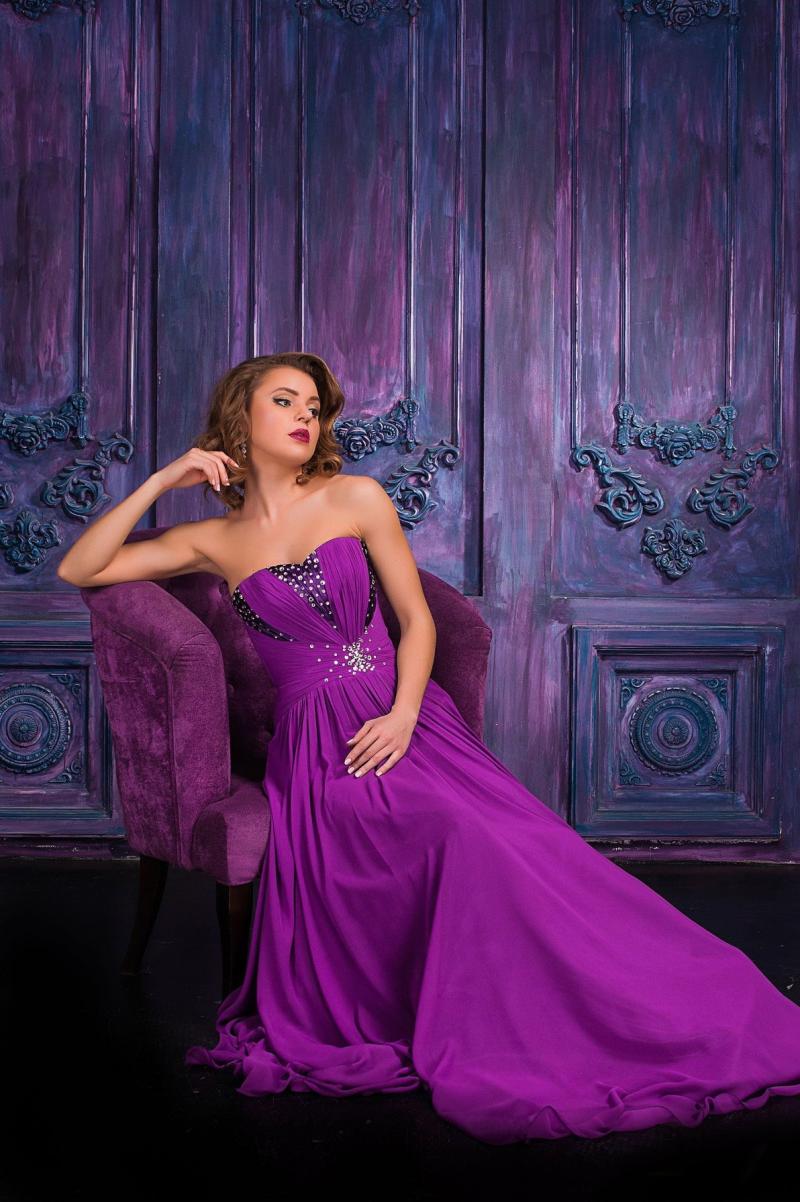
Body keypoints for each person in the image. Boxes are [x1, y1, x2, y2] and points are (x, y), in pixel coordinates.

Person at [59, 351, 800, 1144]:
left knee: (504, 841)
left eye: (314, 405)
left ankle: (627, 1005)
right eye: (285, 401)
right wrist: (161, 480)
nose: (306, 416)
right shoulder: (212, 540)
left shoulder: (355, 497)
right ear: (241, 418)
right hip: (317, 749)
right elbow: (81, 565)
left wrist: (405, 714)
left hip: (401, 718)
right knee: (445, 838)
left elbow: (417, 623)